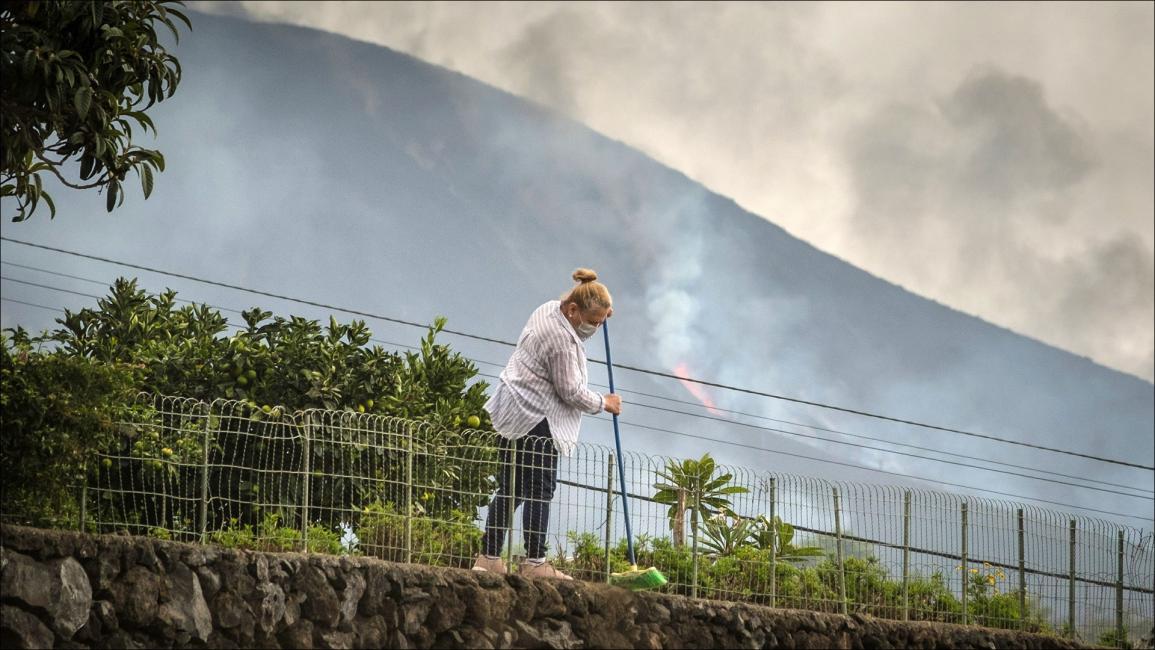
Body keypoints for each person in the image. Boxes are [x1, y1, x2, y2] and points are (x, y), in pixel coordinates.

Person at [472, 268, 623, 579]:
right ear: (572, 311)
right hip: (536, 419)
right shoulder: (561, 343)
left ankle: (487, 558)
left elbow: (577, 304)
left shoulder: (547, 309)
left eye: (601, 322)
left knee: (511, 488)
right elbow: (571, 392)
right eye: (593, 322)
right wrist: (604, 403)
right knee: (540, 489)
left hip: (513, 409)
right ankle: (535, 564)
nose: (595, 328)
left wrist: (600, 309)